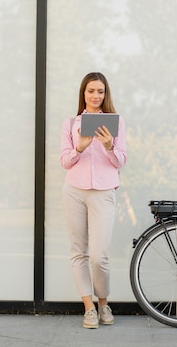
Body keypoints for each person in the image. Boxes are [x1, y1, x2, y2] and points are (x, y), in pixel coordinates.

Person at [60, 72, 127, 329]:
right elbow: (65, 161)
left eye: (100, 91)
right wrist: (80, 146)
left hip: (103, 192)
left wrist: (110, 146)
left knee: (99, 256)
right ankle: (88, 308)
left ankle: (103, 303)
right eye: (91, 91)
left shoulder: (116, 124)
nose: (95, 96)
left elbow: (121, 161)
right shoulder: (70, 124)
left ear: (105, 94)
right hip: (74, 191)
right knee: (79, 251)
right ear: (83, 93)